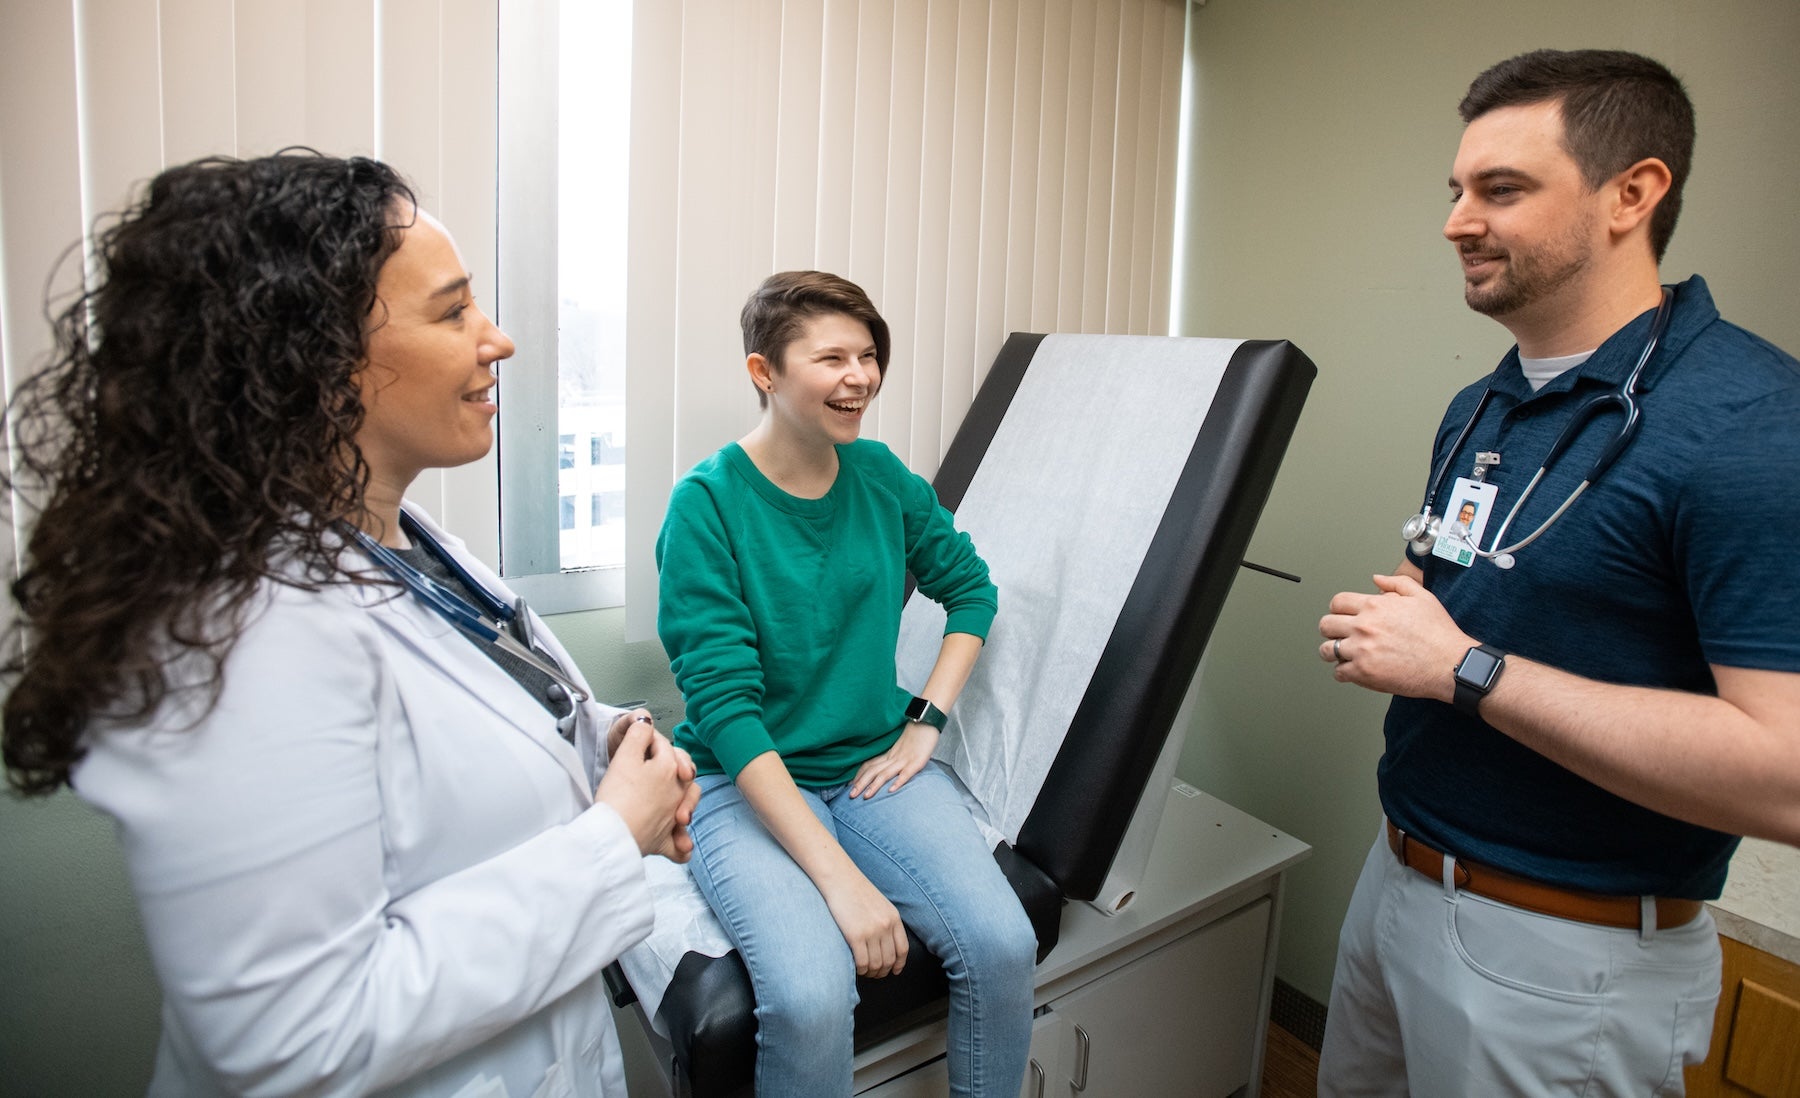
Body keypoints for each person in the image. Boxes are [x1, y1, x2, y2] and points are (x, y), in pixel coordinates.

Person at [0, 151, 700, 1098]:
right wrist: (614, 837)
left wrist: (602, 736)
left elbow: (475, 722)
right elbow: (291, 1036)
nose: (498, 340)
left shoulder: (400, 539)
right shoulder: (244, 630)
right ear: (317, 364)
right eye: (452, 312)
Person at [1315, 49, 1800, 1095]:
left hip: (1564, 955)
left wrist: (1463, 668)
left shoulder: (1754, 426)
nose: (1457, 221)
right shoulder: (1487, 403)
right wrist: (1399, 621)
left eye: (1501, 190)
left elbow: (1788, 775)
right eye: (1456, 190)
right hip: (1397, 879)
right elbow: (1467, 581)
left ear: (1633, 194)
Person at [655, 272, 1036, 1096]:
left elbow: (971, 591)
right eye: (832, 358)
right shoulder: (706, 506)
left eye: (868, 356)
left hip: (868, 765)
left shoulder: (879, 476)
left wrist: (925, 722)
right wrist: (841, 881)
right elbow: (726, 710)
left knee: (1004, 945)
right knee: (811, 996)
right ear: (764, 372)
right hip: (739, 780)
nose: (860, 376)